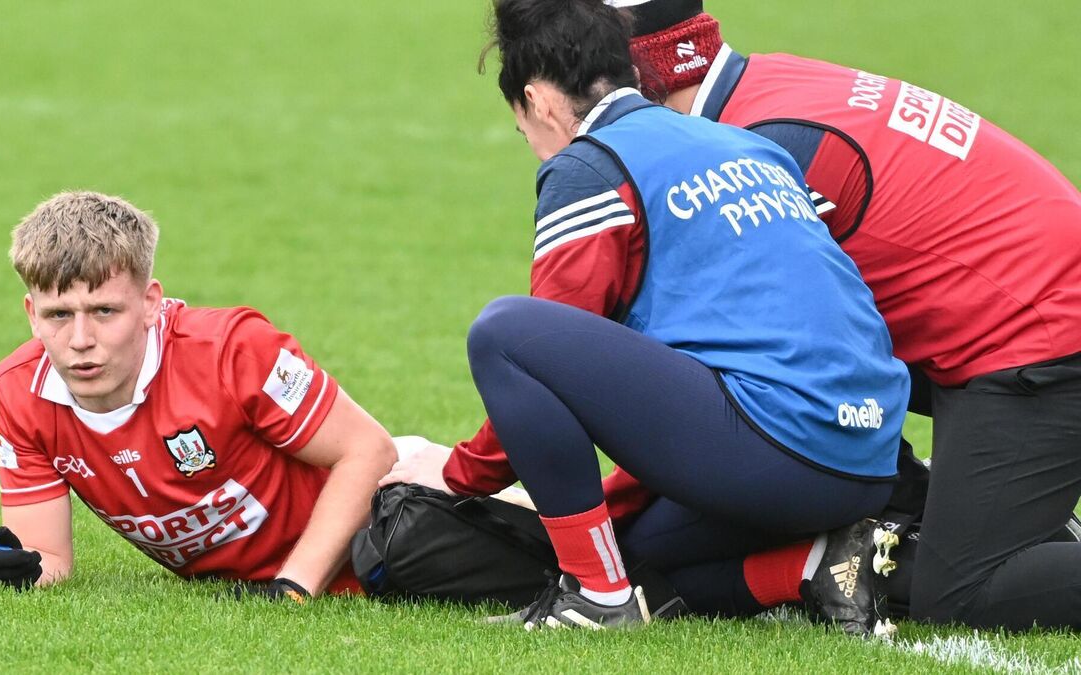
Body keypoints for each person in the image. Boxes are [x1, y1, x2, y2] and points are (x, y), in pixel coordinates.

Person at [383, 0, 909, 634]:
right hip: (866, 459)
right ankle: (815, 564)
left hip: (777, 450)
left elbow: (543, 348)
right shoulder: (743, 140)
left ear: (539, 102)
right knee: (635, 556)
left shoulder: (589, 166)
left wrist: (455, 474)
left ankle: (595, 598)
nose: (533, 146)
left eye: (523, 129)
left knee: (505, 333)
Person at [597, 0, 1081, 631]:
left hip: (1039, 339)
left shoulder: (761, 150)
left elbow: (756, 373)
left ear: (633, 84)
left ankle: (983, 510)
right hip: (1016, 314)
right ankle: (964, 501)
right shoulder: (764, 85)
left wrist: (594, 513)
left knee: (960, 595)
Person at [0, 191, 396, 599]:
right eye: (59, 315)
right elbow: (49, 556)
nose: (80, 339)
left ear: (150, 303)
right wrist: (17, 569)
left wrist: (294, 586)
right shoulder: (20, 389)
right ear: (31, 314)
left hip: (393, 532)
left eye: (104, 311)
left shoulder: (231, 350)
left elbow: (369, 450)